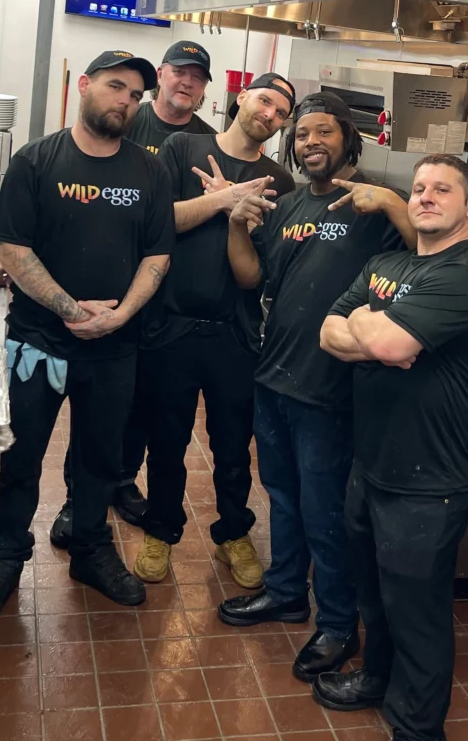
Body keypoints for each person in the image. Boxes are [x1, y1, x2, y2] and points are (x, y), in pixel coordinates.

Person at [215, 92, 415, 681]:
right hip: (274, 376)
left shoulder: (371, 205)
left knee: (324, 509)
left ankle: (335, 623)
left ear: (348, 140)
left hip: (331, 388)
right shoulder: (289, 204)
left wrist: (399, 203)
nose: (311, 143)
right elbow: (252, 276)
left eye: (324, 133)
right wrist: (236, 225)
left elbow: (426, 251)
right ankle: (285, 592)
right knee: (280, 494)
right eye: (302, 136)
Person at [316, 154, 468, 741]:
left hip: (430, 481)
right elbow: (329, 330)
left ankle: (417, 727)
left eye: (442, 189)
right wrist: (376, 328)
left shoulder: (467, 276)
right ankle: (376, 678)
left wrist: (374, 326)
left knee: (417, 614)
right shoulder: (386, 262)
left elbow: (392, 346)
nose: (425, 197)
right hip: (372, 463)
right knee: (373, 591)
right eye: (419, 187)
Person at [0, 50, 175, 624]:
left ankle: (89, 548)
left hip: (115, 348)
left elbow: (158, 253)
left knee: (101, 458)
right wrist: (70, 308)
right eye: (117, 87)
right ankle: (8, 555)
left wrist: (118, 317)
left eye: (136, 94)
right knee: (22, 457)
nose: (126, 101)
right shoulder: (37, 161)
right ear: (85, 86)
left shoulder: (149, 170)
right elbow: (12, 248)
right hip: (38, 347)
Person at [133, 73, 297, 589]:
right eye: (265, 100)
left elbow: (254, 274)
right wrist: (223, 201)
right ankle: (160, 530)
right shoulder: (184, 147)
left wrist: (238, 221)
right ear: (243, 96)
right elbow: (156, 223)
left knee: (232, 447)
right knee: (165, 440)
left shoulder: (279, 183)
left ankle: (233, 533)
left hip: (235, 334)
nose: (269, 113)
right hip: (171, 327)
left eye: (281, 112)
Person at [51, 40, 216, 544]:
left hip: (161, 300)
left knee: (139, 404)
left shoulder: (209, 142)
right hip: (101, 294)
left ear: (205, 88)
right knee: (95, 408)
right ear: (161, 76)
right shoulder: (123, 119)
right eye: (179, 73)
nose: (186, 82)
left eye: (197, 77)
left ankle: (120, 482)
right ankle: (78, 498)